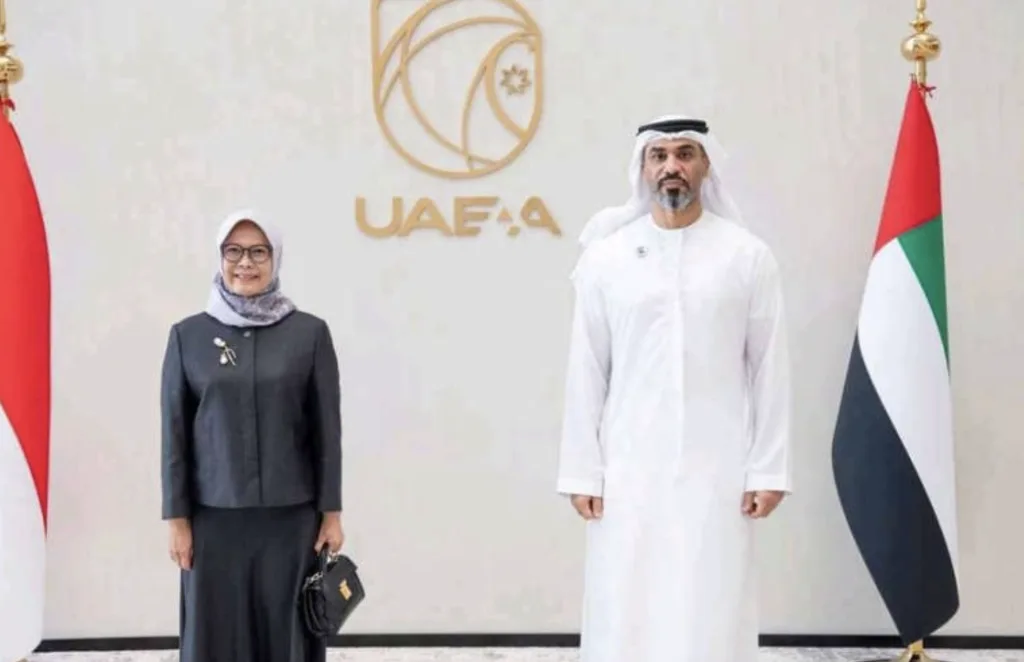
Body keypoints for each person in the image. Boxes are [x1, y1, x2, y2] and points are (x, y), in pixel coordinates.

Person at [556, 115, 792, 662]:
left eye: (685, 154)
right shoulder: (607, 258)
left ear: (706, 165)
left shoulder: (746, 256)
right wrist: (582, 470)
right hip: (626, 468)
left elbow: (770, 368)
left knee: (711, 596)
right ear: (642, 168)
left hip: (718, 467)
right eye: (658, 155)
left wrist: (769, 469)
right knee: (626, 598)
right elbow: (586, 368)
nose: (671, 166)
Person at [161, 210, 344, 662]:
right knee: (215, 634)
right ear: (220, 257)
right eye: (234, 251)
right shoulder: (188, 336)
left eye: (258, 252)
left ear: (275, 258)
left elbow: (327, 431)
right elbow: (174, 437)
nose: (246, 262)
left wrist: (331, 512)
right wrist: (177, 520)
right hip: (212, 520)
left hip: (291, 519)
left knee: (286, 633)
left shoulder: (309, 334)